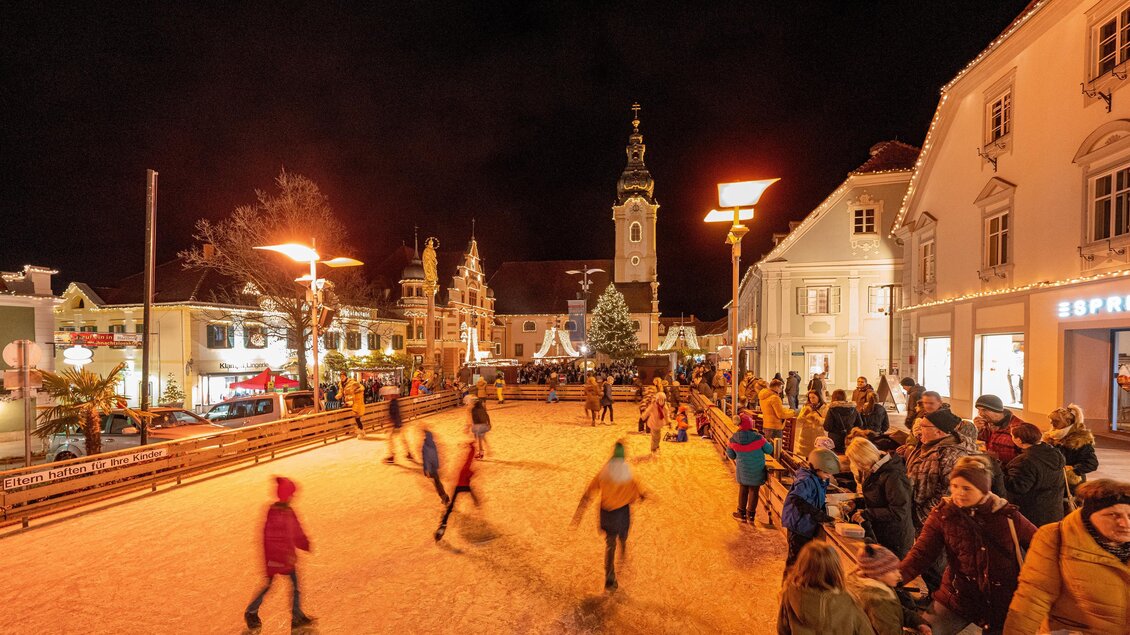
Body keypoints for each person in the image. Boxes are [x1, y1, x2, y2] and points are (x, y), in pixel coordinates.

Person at [899, 455, 1037, 635]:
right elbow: (922, 553)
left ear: (984, 490)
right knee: (926, 630)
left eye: (967, 488)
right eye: (954, 486)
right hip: (959, 595)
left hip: (1002, 600)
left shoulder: (1007, 516)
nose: (958, 493)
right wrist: (898, 577)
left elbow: (1041, 545)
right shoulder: (943, 514)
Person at [1004, 479, 1130, 635]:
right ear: (1089, 514)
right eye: (1113, 515)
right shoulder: (1056, 537)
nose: (1125, 523)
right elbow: (1033, 598)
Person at [572, 442, 646, 592]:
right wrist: (641, 495)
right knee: (623, 534)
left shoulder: (604, 471)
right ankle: (623, 543)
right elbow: (636, 489)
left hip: (608, 513)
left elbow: (589, 491)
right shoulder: (626, 472)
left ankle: (610, 577)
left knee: (610, 544)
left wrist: (579, 513)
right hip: (622, 513)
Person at [244, 477, 314, 631]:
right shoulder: (274, 514)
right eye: (291, 495)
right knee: (273, 586)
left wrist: (304, 543)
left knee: (292, 586)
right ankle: (251, 611)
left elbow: (296, 531)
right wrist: (278, 558)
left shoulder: (289, 512)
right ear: (286, 496)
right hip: (278, 559)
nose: (293, 497)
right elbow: (269, 539)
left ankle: (296, 615)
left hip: (286, 559)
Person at [777, 540, 877, 635]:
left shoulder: (790, 594)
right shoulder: (848, 601)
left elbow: (782, 629)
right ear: (836, 570)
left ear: (801, 567)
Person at [900, 408, 972, 529]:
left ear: (939, 432)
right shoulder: (924, 445)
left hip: (932, 522)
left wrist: (921, 516)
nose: (918, 429)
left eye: (923, 426)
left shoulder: (953, 456)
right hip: (916, 516)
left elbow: (948, 494)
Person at [845, 437, 914, 558]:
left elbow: (899, 511)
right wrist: (856, 503)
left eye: (857, 463)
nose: (858, 467)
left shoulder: (893, 475)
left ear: (863, 459)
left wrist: (867, 513)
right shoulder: (876, 469)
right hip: (883, 533)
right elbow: (877, 498)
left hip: (895, 538)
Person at [847, 543, 931, 635]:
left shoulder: (880, 585)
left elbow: (894, 609)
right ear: (878, 574)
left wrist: (918, 622)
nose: (899, 575)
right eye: (893, 571)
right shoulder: (877, 600)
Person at [782, 448, 839, 568]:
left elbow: (815, 498)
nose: (829, 476)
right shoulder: (806, 480)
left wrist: (824, 510)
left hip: (806, 526)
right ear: (816, 468)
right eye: (826, 473)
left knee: (802, 561)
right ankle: (789, 584)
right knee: (795, 561)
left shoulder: (819, 480)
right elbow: (796, 498)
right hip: (798, 527)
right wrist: (818, 514)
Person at [1003, 422, 1065, 528]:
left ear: (1018, 440)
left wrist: (1000, 472)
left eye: (1012, 436)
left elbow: (1018, 487)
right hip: (1053, 511)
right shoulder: (1054, 453)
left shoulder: (1026, 461)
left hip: (1032, 514)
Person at [725, 413, 774, 524]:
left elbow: (731, 455)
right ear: (751, 424)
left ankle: (741, 513)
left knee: (743, 490)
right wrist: (768, 442)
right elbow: (769, 450)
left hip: (743, 471)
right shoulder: (758, 437)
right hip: (757, 471)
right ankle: (751, 515)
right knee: (754, 491)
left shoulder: (733, 439)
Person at [1043, 403, 1098, 492]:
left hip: (1069, 486)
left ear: (1067, 422)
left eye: (1056, 421)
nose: (1052, 423)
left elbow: (1091, 463)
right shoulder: (1052, 437)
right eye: (1051, 420)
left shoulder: (1080, 440)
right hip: (1052, 482)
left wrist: (1072, 471)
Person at [435, 443, 480, 541]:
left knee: (451, 507)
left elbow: (469, 459)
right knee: (472, 494)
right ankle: (476, 502)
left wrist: (472, 448)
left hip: (459, 487)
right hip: (465, 487)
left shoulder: (465, 467)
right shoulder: (467, 469)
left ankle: (443, 525)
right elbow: (470, 470)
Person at [973, 394, 1025, 466]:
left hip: (1010, 471)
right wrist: (977, 429)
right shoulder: (988, 423)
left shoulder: (1018, 428)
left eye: (984, 410)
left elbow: (1025, 457)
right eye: (979, 410)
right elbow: (981, 440)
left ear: (997, 411)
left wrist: (998, 457)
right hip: (992, 467)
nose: (980, 414)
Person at [758, 378, 796, 451]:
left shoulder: (763, 396)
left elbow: (773, 410)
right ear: (777, 387)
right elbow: (780, 415)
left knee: (768, 448)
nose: (781, 390)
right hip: (775, 427)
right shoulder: (775, 398)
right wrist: (792, 413)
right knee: (776, 450)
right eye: (781, 387)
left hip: (766, 425)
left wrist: (786, 410)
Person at [823, 389, 863, 454]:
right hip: (850, 438)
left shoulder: (832, 410)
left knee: (837, 458)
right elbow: (860, 424)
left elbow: (827, 427)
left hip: (835, 439)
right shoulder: (853, 409)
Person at [793, 390, 827, 457]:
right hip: (806, 436)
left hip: (818, 435)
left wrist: (818, 418)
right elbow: (799, 420)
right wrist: (804, 414)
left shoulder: (824, 407)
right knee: (807, 456)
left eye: (813, 397)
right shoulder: (806, 407)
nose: (811, 400)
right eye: (810, 398)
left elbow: (826, 421)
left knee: (818, 456)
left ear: (819, 397)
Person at [384, 394, 415, 464]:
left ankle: (392, 456)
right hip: (398, 424)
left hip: (396, 425)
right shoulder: (395, 402)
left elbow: (394, 415)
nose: (386, 396)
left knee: (390, 439)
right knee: (402, 439)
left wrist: (392, 424)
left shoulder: (393, 403)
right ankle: (408, 453)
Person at [339, 371, 367, 438]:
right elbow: (341, 392)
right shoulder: (341, 384)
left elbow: (362, 387)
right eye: (341, 376)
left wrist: (357, 391)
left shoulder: (352, 382)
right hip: (347, 402)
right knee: (346, 415)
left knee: (357, 418)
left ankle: (361, 431)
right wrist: (339, 395)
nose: (342, 378)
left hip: (355, 402)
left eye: (343, 376)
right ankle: (349, 430)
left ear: (346, 376)